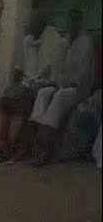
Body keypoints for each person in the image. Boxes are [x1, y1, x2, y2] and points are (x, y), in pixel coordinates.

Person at [0, 13, 64, 162]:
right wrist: (16, 84)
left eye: (34, 24)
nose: (30, 27)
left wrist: (29, 84)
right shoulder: (28, 40)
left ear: (42, 25)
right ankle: (3, 145)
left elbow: (51, 72)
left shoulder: (52, 39)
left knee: (20, 102)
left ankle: (14, 146)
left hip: (44, 85)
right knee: (5, 101)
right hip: (27, 84)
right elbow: (19, 69)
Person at [27, 9, 96, 165]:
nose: (71, 25)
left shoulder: (85, 42)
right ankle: (35, 137)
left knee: (59, 97)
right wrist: (57, 82)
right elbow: (59, 69)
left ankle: (44, 149)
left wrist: (62, 84)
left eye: (74, 21)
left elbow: (82, 76)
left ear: (78, 22)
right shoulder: (66, 42)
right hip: (63, 85)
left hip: (78, 89)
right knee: (43, 94)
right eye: (69, 21)